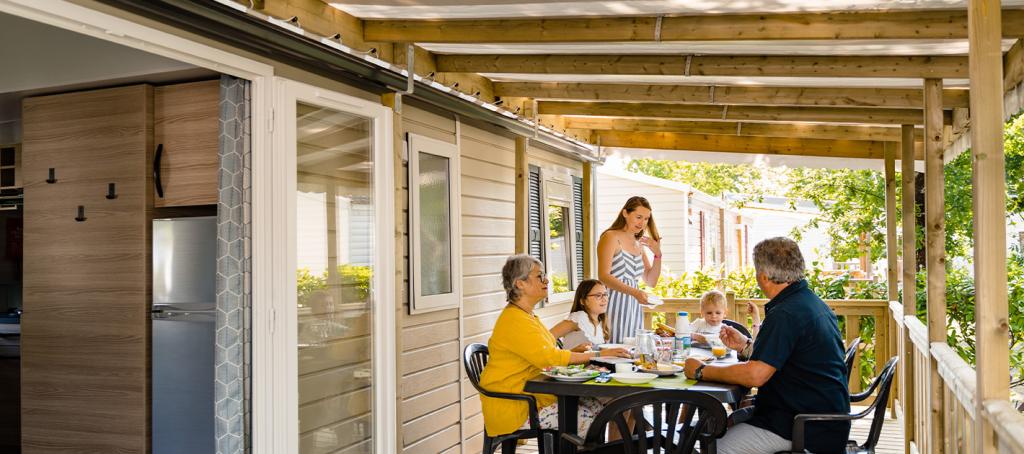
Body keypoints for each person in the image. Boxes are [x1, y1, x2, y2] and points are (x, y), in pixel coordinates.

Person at [682, 237, 851, 454]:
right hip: (820, 419)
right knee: (718, 424)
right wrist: (745, 346)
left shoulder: (786, 313)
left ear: (763, 276)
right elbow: (788, 357)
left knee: (713, 448)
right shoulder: (808, 302)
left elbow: (756, 375)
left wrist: (701, 370)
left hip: (803, 428)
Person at [479, 255, 631, 438]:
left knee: (600, 406)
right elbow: (549, 358)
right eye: (539, 276)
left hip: (533, 395)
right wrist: (599, 354)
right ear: (520, 283)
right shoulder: (515, 321)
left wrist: (572, 353)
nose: (547, 280)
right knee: (590, 420)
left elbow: (545, 351)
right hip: (516, 406)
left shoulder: (527, 316)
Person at [597, 196, 663, 343]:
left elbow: (651, 281)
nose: (642, 223)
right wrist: (635, 292)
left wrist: (658, 254)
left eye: (646, 219)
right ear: (625, 213)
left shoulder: (639, 243)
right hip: (611, 303)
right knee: (613, 351)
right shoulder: (610, 237)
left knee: (631, 351)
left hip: (632, 308)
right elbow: (603, 275)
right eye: (638, 217)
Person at [549, 279, 613, 351]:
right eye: (598, 295)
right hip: (573, 362)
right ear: (583, 301)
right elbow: (545, 338)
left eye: (605, 294)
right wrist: (568, 353)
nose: (604, 299)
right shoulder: (578, 318)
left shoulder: (601, 322)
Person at [690, 290, 762, 344]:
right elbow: (684, 333)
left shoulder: (726, 329)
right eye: (709, 313)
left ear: (725, 313)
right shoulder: (698, 323)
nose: (713, 316)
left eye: (718, 313)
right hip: (699, 357)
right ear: (702, 312)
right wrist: (693, 336)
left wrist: (700, 338)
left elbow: (747, 342)